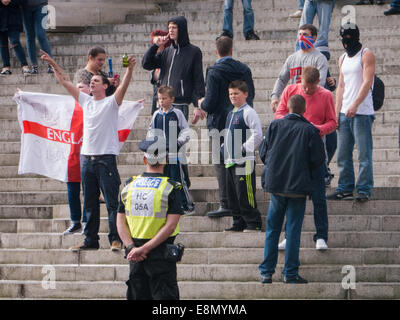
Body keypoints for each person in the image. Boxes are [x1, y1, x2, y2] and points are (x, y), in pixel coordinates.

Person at [40, 49, 136, 251]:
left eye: (97, 81)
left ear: (106, 86)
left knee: (111, 202)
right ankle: (90, 240)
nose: (92, 82)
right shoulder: (85, 101)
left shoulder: (111, 103)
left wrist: (130, 70)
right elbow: (65, 82)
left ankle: (115, 239)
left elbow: (124, 87)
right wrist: (52, 64)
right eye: (91, 81)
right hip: (87, 159)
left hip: (106, 158)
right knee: (90, 203)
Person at [258, 94, 325, 284]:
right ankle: (290, 273)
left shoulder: (275, 125)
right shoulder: (310, 130)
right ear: (305, 110)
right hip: (298, 187)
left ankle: (266, 272)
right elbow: (318, 160)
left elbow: (263, 153)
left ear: (287, 107)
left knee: (272, 230)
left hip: (276, 186)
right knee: (293, 230)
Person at [275, 66, 336, 251]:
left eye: (311, 87)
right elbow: (279, 114)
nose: (307, 90)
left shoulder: (325, 95)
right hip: (294, 151)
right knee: (292, 196)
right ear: (300, 79)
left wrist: (316, 129)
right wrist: (294, 126)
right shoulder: (291, 90)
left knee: (319, 196)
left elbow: (333, 122)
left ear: (318, 82)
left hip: (315, 150)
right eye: (304, 86)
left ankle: (321, 236)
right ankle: (289, 235)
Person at [117, 136, 184, 300]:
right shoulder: (171, 188)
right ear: (166, 159)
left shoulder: (129, 186)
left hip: (134, 256)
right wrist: (145, 249)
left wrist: (131, 247)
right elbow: (170, 226)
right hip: (160, 255)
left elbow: (120, 221)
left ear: (144, 159)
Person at [198, 36, 255, 218]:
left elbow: (211, 102)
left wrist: (201, 103)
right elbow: (250, 94)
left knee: (221, 163)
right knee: (240, 162)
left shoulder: (214, 71)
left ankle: (226, 203)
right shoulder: (244, 69)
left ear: (217, 51)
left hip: (218, 124)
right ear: (232, 50)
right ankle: (243, 204)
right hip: (239, 121)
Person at [327, 23, 376, 202]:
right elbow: (341, 86)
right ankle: (345, 188)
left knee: (364, 153)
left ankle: (363, 189)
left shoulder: (366, 54)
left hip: (362, 112)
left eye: (347, 37)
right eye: (342, 38)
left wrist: (355, 104)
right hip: (344, 112)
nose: (345, 42)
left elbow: (367, 82)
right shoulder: (342, 58)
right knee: (343, 154)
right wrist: (337, 110)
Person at [142, 16, 205, 123]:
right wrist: (155, 46)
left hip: (179, 105)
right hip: (162, 104)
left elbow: (198, 79)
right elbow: (146, 64)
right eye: (169, 27)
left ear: (182, 29)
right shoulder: (166, 52)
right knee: (161, 139)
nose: (171, 30)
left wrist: (197, 106)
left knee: (175, 138)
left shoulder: (194, 52)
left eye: (174, 27)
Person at [223, 80, 262, 232]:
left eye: (236, 94)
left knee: (245, 193)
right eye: (231, 94)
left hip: (244, 161)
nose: (233, 96)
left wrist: (244, 148)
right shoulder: (231, 113)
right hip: (230, 161)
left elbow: (257, 134)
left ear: (245, 94)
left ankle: (253, 222)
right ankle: (238, 221)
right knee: (233, 194)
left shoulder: (249, 112)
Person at [148, 85, 192, 213]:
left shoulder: (177, 113)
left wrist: (178, 142)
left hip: (174, 153)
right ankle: (168, 204)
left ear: (172, 99)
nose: (161, 101)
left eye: (164, 98)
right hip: (161, 154)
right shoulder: (156, 115)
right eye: (160, 99)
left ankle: (186, 204)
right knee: (164, 178)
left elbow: (185, 131)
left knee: (178, 178)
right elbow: (151, 131)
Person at [270, 24, 328, 113]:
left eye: (305, 34)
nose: (301, 37)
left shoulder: (320, 58)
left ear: (314, 37)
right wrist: (275, 96)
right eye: (300, 34)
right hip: (293, 105)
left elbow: (320, 83)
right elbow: (281, 79)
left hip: (311, 104)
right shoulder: (291, 58)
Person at [63, 81, 89, 235]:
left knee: (88, 191)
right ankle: (75, 221)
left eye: (81, 87)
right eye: (77, 87)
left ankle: (86, 222)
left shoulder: (93, 104)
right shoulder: (67, 105)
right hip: (71, 154)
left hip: (88, 154)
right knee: (72, 190)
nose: (78, 89)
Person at [21, 0, 53, 74]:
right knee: (29, 36)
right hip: (25, 7)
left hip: (41, 5)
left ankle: (51, 64)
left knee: (41, 35)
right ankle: (34, 66)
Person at [0, 0, 30, 75]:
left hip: (14, 18)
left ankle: (24, 66)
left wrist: (10, 1)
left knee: (15, 41)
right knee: (2, 44)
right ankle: (6, 67)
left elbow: (24, 2)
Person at [149, 29, 171, 115]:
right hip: (157, 104)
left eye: (158, 42)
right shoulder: (154, 60)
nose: (155, 45)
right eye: (154, 43)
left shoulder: (170, 59)